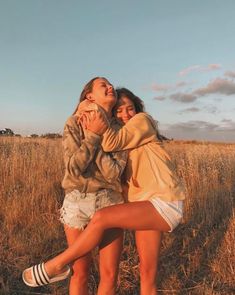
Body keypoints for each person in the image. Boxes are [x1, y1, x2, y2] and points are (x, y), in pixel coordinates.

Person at [23, 86, 185, 295]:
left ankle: (56, 265)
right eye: (118, 110)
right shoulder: (124, 134)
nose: (125, 114)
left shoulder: (142, 121)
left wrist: (97, 119)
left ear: (137, 109)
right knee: (147, 274)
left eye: (129, 109)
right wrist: (90, 111)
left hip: (164, 201)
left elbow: (109, 143)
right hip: (143, 206)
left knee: (101, 218)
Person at [22, 77, 127, 295]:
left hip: (111, 202)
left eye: (110, 85)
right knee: (80, 272)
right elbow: (73, 169)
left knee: (109, 274)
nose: (110, 87)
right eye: (103, 85)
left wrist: (98, 131)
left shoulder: (121, 128)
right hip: (78, 203)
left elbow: (113, 172)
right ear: (89, 96)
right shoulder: (74, 123)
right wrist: (92, 135)